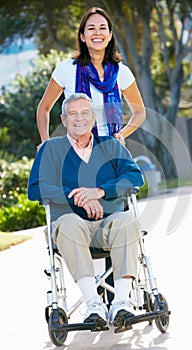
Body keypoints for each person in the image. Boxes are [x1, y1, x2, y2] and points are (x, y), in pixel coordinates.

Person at [28, 93, 144, 329]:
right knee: (70, 223)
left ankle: (121, 303)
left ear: (93, 118)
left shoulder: (111, 145)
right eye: (72, 113)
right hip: (69, 228)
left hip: (108, 227)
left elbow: (135, 176)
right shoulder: (51, 149)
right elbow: (36, 187)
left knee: (127, 220)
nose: (78, 118)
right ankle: (94, 305)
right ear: (63, 118)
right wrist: (78, 196)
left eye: (84, 113)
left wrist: (100, 191)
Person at [36, 6, 145, 146]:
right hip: (77, 150)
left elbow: (140, 112)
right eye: (91, 28)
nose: (97, 33)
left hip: (111, 151)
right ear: (82, 36)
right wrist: (45, 143)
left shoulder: (122, 72)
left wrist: (121, 135)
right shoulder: (67, 69)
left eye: (102, 28)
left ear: (110, 35)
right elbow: (44, 108)